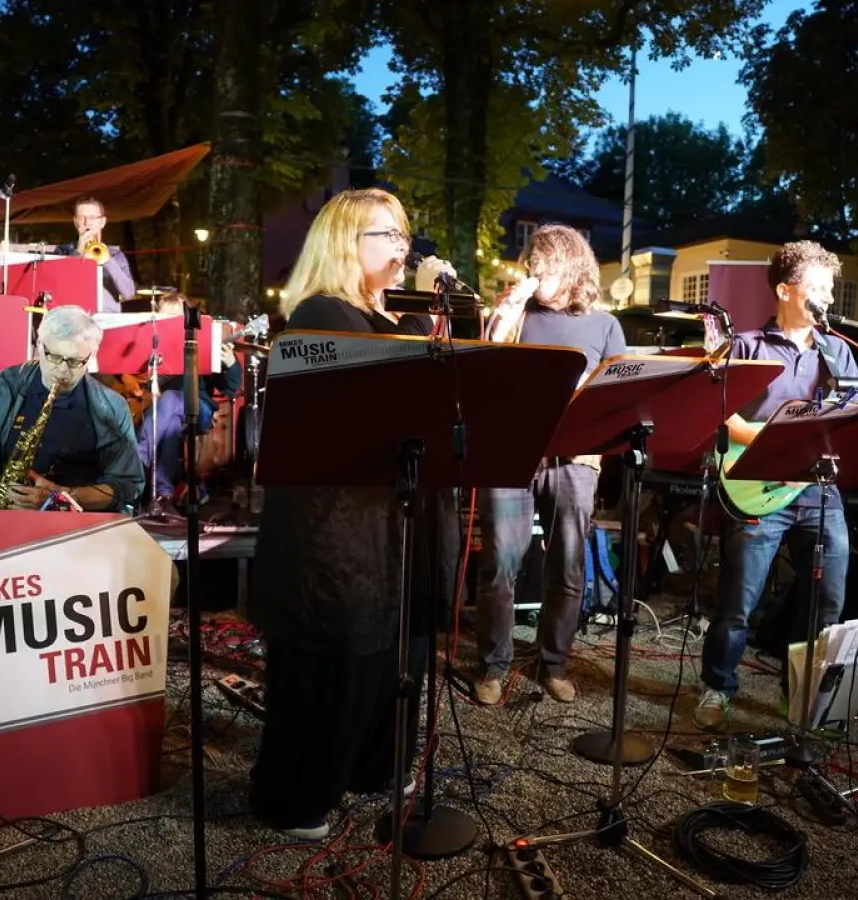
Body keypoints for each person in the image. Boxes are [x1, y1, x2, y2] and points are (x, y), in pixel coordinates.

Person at [247, 187, 457, 840]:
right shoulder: (322, 313)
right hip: (332, 527)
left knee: (395, 644)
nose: (402, 247)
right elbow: (389, 385)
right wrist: (422, 318)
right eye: (386, 235)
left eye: (403, 235)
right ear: (344, 242)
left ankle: (373, 765)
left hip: (385, 520)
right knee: (339, 651)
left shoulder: (378, 314)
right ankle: (297, 795)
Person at [694, 240, 858, 730]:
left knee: (827, 602)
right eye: (817, 287)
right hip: (758, 486)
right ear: (785, 290)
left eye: (830, 288)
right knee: (739, 601)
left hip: (820, 490)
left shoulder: (837, 351)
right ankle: (717, 687)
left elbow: (857, 416)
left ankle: (803, 696)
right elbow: (719, 414)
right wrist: (771, 446)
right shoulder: (747, 347)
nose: (828, 297)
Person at [472, 224, 627, 705]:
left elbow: (618, 394)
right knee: (501, 558)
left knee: (568, 563)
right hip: (512, 452)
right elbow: (485, 377)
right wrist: (503, 319)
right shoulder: (516, 316)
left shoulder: (604, 325)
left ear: (573, 268)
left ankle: (554, 662)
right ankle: (493, 663)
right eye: (533, 262)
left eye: (546, 263)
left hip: (574, 457)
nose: (536, 270)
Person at [0, 305, 143, 513]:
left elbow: (127, 486)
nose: (62, 370)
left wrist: (62, 497)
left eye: (75, 361)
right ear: (39, 345)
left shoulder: (113, 407)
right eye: (54, 356)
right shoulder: (2, 387)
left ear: (91, 357)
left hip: (78, 524)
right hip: (4, 516)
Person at [136, 292, 243, 515]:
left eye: (175, 320)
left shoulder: (203, 342)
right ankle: (163, 496)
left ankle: (136, 461)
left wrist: (231, 363)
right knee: (171, 425)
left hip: (199, 409)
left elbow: (229, 388)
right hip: (164, 413)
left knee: (171, 399)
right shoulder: (154, 343)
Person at [57, 196, 135, 313]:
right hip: (75, 317)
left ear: (102, 222)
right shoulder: (63, 252)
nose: (87, 223)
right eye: (81, 218)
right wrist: (77, 254)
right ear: (75, 222)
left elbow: (129, 293)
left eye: (92, 218)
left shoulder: (115, 255)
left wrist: (108, 260)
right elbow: (58, 288)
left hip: (108, 317)